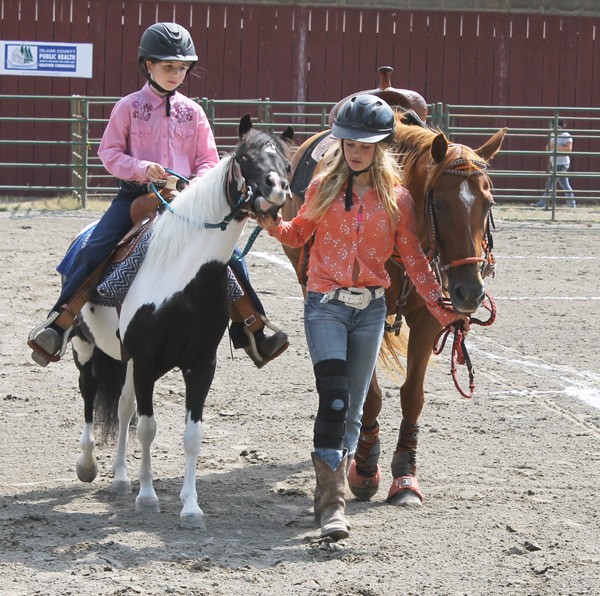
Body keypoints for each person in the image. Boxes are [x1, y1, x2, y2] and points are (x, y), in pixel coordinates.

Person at [258, 94, 468, 541]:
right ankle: (332, 505)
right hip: (325, 306)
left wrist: (442, 310)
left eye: (366, 144)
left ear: (380, 148)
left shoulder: (398, 200)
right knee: (334, 397)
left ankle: (337, 481)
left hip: (371, 309)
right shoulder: (321, 188)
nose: (356, 150)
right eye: (350, 142)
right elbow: (298, 234)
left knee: (353, 410)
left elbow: (413, 259)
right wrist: (270, 220)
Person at [29, 22, 287, 367]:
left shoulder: (193, 113)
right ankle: (60, 323)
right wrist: (140, 168)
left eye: (182, 68)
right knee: (96, 247)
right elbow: (109, 153)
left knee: (234, 256)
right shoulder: (128, 107)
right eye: (168, 66)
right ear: (148, 65)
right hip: (136, 197)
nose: (176, 74)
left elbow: (208, 161)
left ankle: (253, 329)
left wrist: (197, 186)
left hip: (186, 201)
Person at [534, 119, 576, 208]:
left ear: (562, 127)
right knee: (565, 185)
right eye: (553, 127)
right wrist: (550, 146)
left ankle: (542, 203)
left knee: (550, 183)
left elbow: (568, 149)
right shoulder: (553, 135)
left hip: (562, 163)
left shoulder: (566, 136)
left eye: (557, 127)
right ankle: (572, 204)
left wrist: (556, 146)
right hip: (555, 163)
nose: (555, 129)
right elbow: (547, 148)